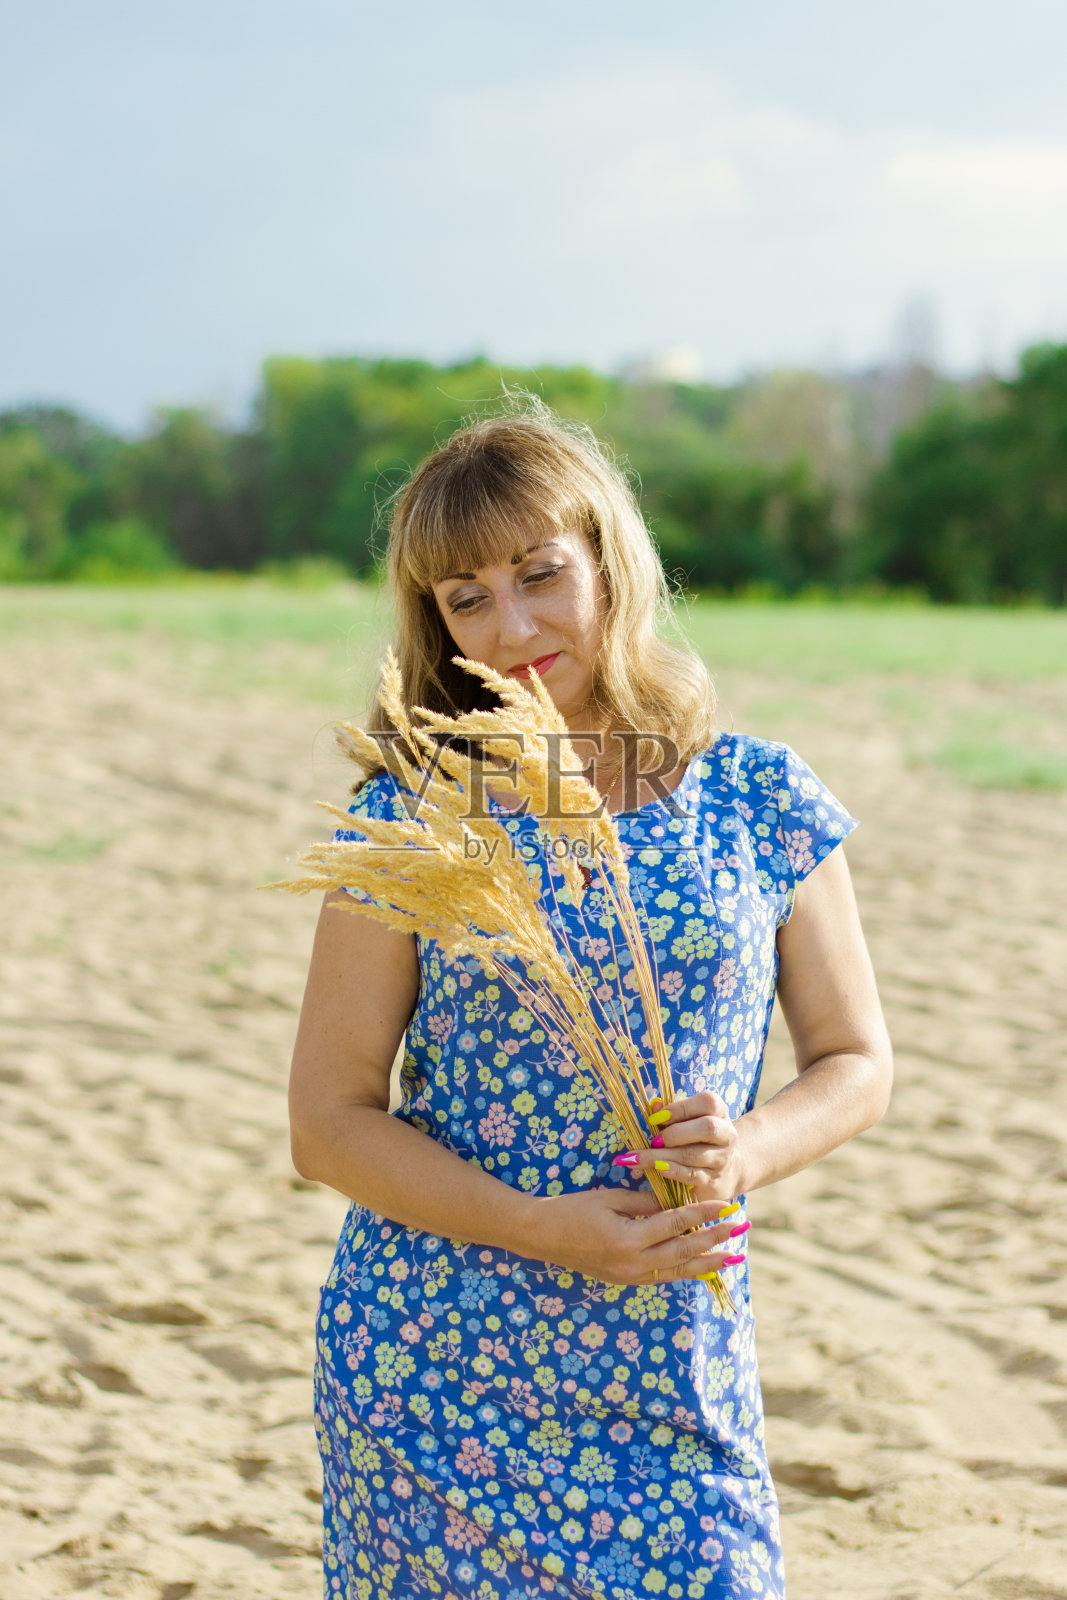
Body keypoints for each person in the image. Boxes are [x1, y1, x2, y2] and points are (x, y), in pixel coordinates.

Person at [289, 403, 893, 1600]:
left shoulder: (755, 793)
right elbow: (328, 1122)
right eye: (465, 597)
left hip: (675, 1355)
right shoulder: (411, 819)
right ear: (435, 621)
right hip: (437, 1374)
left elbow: (854, 1059)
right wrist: (536, 1225)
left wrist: (749, 1148)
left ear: (607, 561)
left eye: (538, 574)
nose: (511, 626)